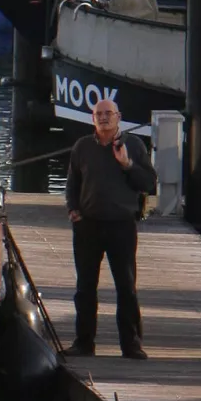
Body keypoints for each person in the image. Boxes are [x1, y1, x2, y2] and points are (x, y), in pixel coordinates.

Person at [66, 99, 156, 359]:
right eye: (98, 114)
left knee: (126, 286)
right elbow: (73, 183)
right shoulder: (82, 147)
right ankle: (84, 342)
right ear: (92, 118)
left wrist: (127, 165)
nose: (103, 118)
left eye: (108, 114)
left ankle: (131, 345)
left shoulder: (134, 145)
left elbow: (149, 183)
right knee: (85, 287)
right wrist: (73, 209)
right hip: (88, 225)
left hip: (121, 225)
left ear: (118, 117)